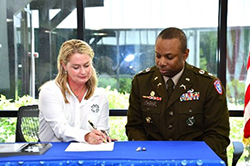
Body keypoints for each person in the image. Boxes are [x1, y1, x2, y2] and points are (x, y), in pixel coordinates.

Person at [125, 27, 230, 163]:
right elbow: (134, 127)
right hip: (153, 160)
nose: (161, 62)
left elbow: (218, 134)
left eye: (169, 57)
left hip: (196, 161)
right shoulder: (142, 82)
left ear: (185, 54)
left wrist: (187, 159)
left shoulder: (207, 85)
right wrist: (149, 155)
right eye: (158, 55)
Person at [39, 39, 112, 144]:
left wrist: (101, 136)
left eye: (87, 66)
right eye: (76, 67)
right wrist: (86, 136)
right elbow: (61, 129)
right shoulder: (49, 91)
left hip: (88, 154)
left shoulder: (100, 96)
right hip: (54, 155)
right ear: (64, 65)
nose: (83, 72)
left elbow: (102, 129)